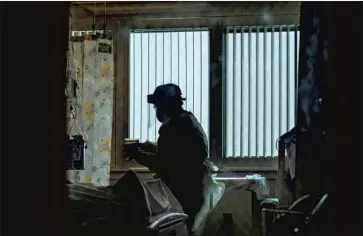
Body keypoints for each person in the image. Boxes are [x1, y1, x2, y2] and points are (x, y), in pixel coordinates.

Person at [123, 83, 209, 233]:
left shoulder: (173, 126)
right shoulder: (188, 120)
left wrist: (137, 154)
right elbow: (176, 153)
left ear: (165, 106)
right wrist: (149, 147)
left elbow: (162, 164)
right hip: (193, 190)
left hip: (181, 194)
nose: (156, 111)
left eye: (157, 107)